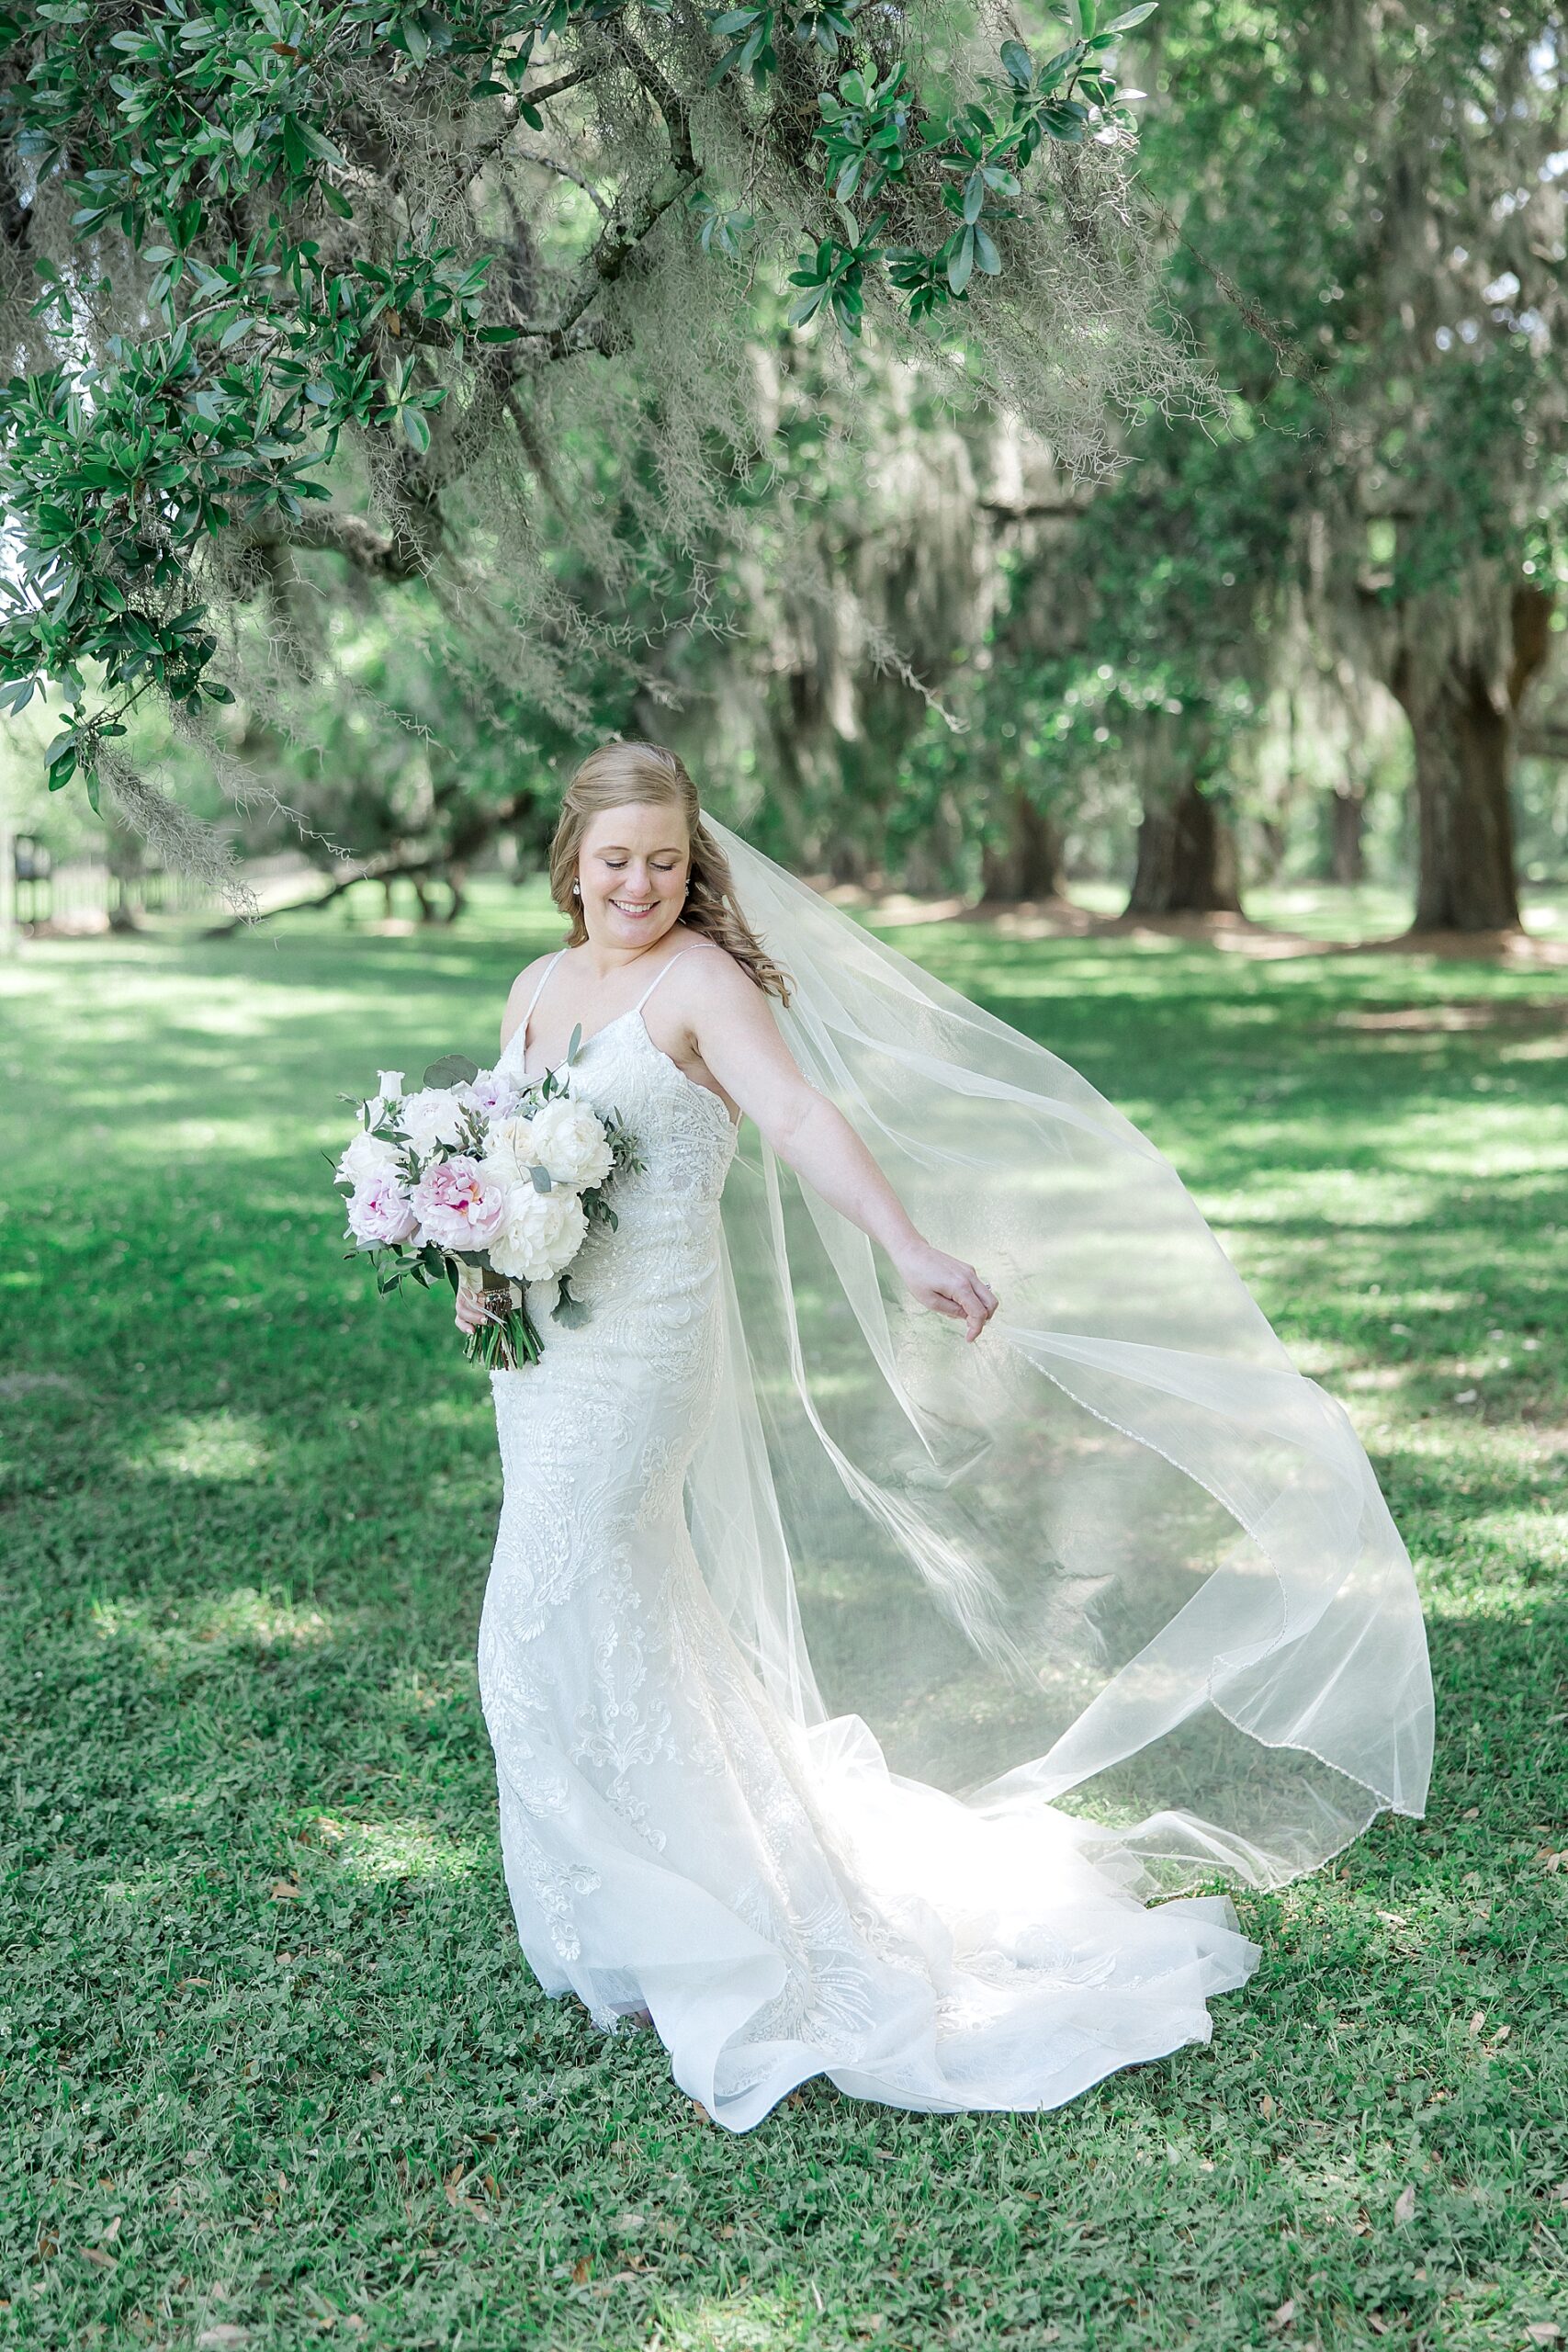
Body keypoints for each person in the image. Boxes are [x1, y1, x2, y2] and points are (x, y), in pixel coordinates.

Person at [457, 741, 1434, 2132]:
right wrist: (471, 1261)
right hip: (541, 1354)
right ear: (573, 861)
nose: (642, 883)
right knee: (608, 1599)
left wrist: (907, 1244)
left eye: (667, 860)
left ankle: (692, 1907)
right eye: (617, 860)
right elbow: (496, 1156)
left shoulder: (702, 985)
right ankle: (635, 1897)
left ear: (693, 863)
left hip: (644, 1353)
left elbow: (794, 1113)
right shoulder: (539, 988)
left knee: (552, 1593)